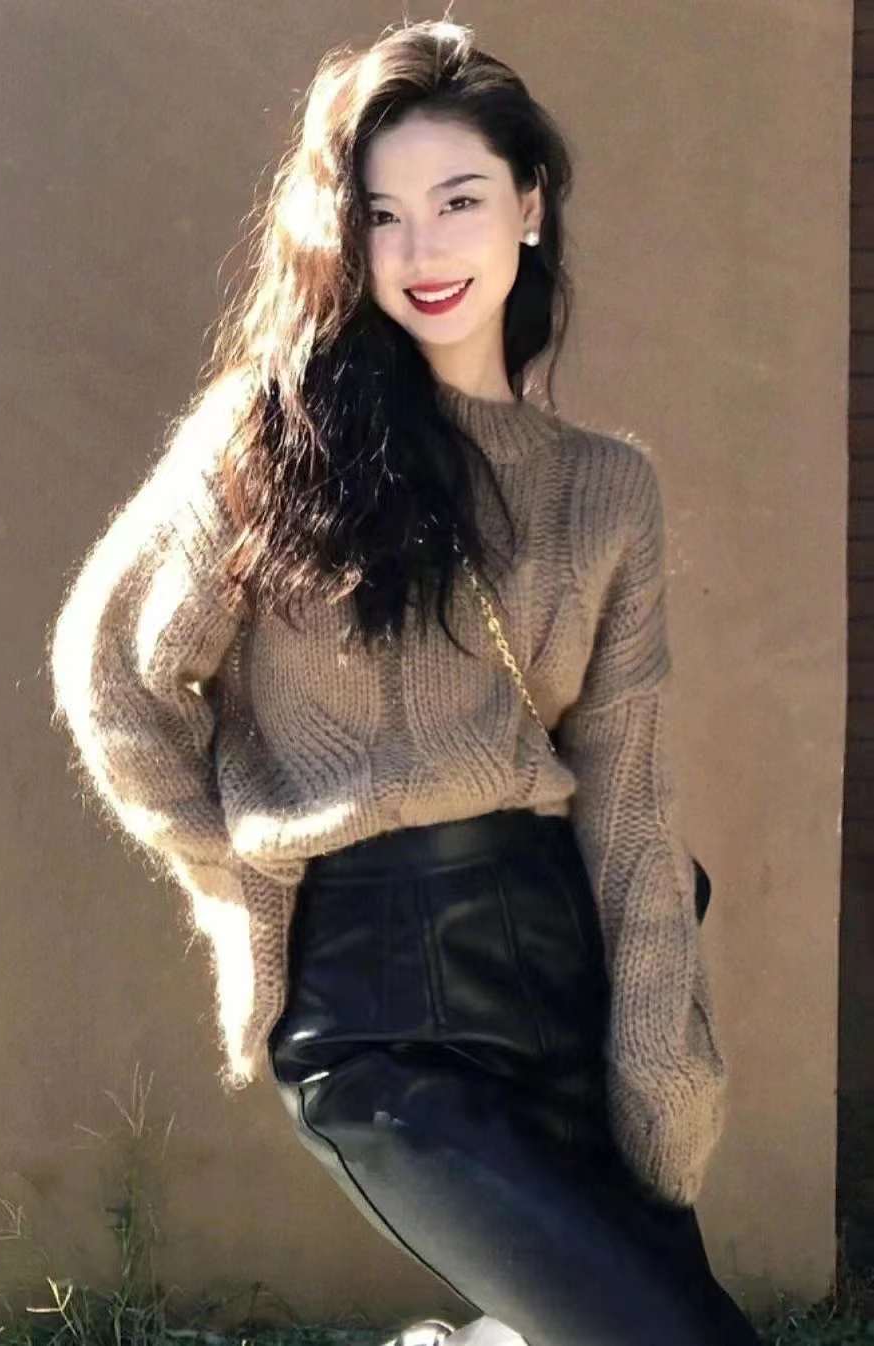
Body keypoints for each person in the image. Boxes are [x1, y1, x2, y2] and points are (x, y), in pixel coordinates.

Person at [47, 15, 762, 1346]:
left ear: (530, 207)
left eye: (458, 200)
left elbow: (629, 800)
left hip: (554, 966)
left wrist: (663, 1055)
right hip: (372, 1003)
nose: (422, 249)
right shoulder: (268, 442)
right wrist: (240, 878)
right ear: (345, 237)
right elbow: (112, 678)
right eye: (382, 216)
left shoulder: (605, 489)